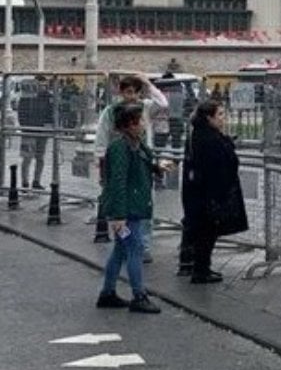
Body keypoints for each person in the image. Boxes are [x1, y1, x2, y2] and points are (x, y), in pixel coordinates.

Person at [96, 104, 171, 313]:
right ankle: (139, 295)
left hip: (134, 206)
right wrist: (118, 215)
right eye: (141, 120)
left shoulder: (136, 144)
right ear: (130, 124)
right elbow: (117, 182)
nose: (145, 124)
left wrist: (157, 167)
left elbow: (146, 161)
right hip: (127, 210)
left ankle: (107, 292)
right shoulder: (120, 148)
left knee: (121, 249)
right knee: (135, 248)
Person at [95, 74, 168, 259]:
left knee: (144, 204)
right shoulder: (111, 112)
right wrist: (103, 167)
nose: (132, 96)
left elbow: (163, 104)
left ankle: (142, 245)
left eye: (136, 92)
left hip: (141, 163)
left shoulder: (145, 107)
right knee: (123, 202)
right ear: (121, 92)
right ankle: (126, 243)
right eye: (128, 92)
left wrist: (147, 83)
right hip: (122, 161)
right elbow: (102, 139)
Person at [179, 100, 248, 284]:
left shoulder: (202, 135)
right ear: (208, 117)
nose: (223, 119)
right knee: (206, 233)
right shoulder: (208, 139)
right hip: (208, 195)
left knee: (205, 232)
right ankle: (200, 270)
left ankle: (200, 267)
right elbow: (219, 166)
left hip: (201, 194)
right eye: (220, 115)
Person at [17, 77, 53, 189]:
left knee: (40, 157)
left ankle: (36, 181)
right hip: (29, 130)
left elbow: (51, 112)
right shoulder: (26, 97)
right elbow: (21, 112)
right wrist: (24, 127)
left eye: (44, 85)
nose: (42, 87)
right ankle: (25, 182)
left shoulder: (47, 97)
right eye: (40, 84)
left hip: (42, 131)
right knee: (27, 157)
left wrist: (49, 125)